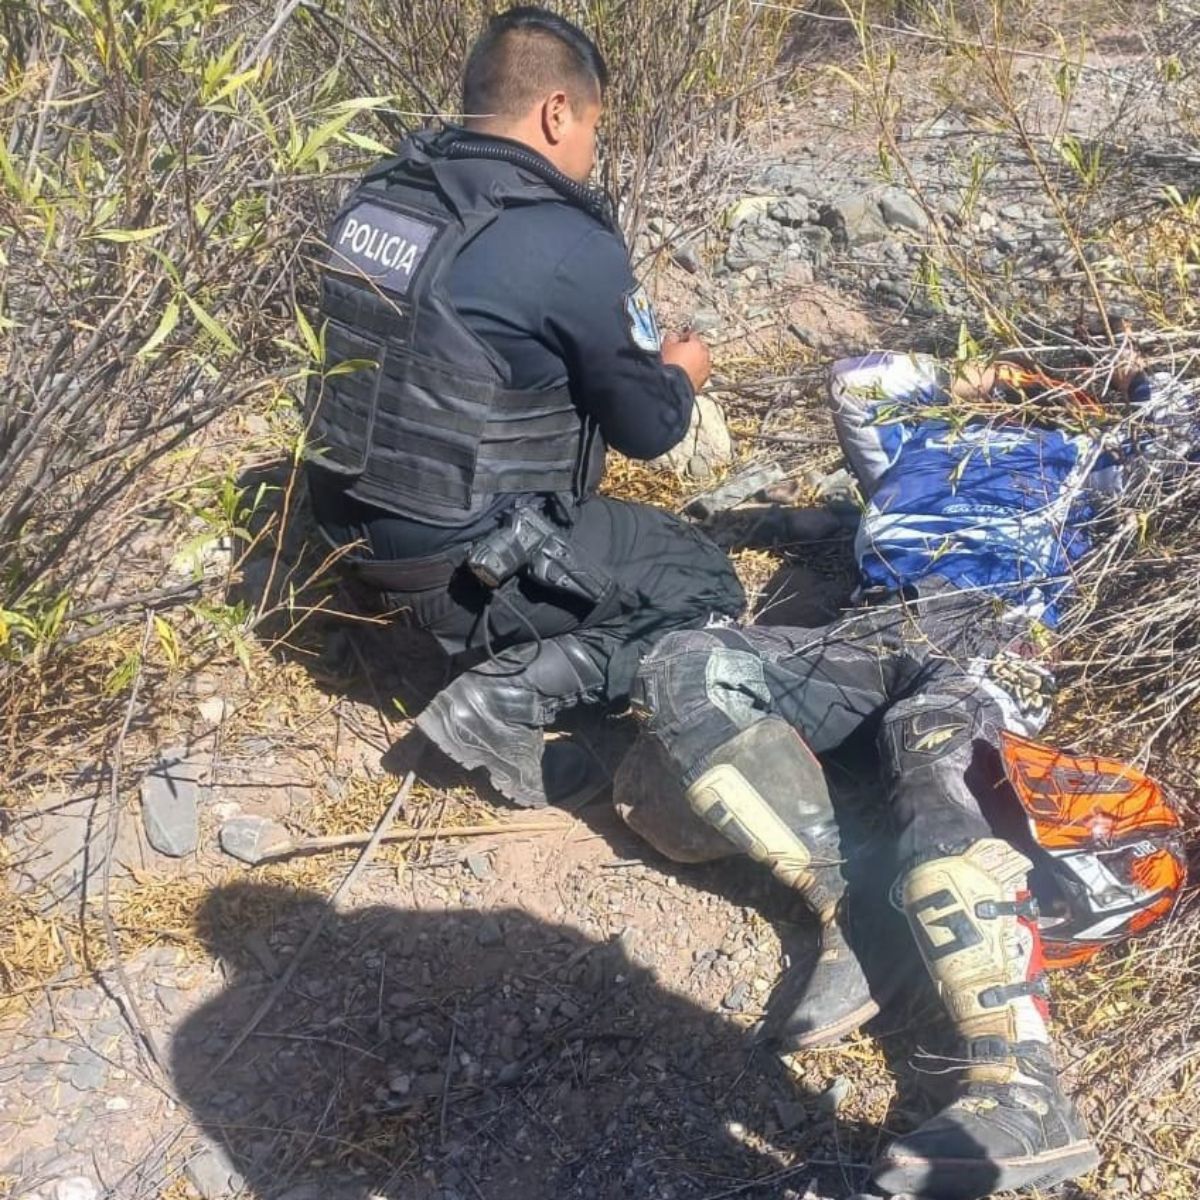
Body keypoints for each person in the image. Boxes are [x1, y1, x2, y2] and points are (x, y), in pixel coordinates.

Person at [615, 351, 1195, 1198]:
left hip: (992, 642)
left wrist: (1109, 380)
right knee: (684, 666)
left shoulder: (1097, 460)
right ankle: (855, 906)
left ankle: (1024, 1089)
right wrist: (1002, 377)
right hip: (869, 633)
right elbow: (860, 380)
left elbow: (1183, 420)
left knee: (926, 747)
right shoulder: (915, 441)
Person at [303, 6, 744, 808]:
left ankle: (390, 613)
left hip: (335, 531)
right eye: (593, 131)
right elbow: (648, 430)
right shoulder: (564, 241)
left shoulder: (380, 193)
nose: (589, 154)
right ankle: (507, 697)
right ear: (556, 112)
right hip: (454, 568)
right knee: (704, 580)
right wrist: (682, 373)